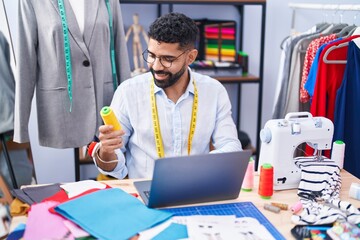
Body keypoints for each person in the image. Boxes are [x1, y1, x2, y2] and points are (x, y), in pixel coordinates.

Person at [94, 12, 242, 179]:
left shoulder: (214, 91)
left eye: (167, 59)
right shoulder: (128, 92)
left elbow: (231, 145)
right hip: (144, 194)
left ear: (190, 57)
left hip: (196, 188)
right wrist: (106, 151)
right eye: (151, 55)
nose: (156, 66)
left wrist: (201, 167)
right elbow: (115, 168)